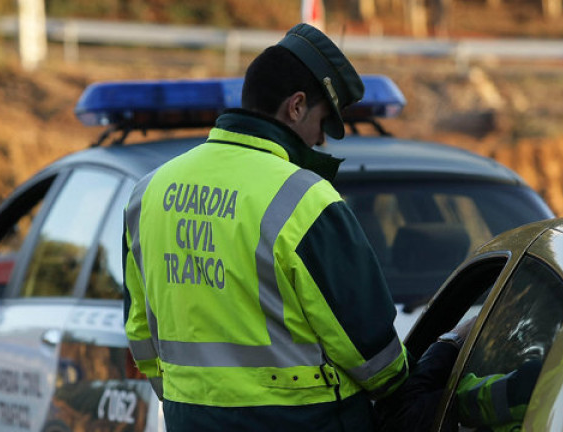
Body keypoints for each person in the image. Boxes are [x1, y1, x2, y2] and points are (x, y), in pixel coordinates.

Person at [122, 23, 412, 431]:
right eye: (323, 122)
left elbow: (139, 330)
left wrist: (189, 399)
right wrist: (410, 391)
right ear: (295, 106)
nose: (319, 142)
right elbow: (374, 357)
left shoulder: (147, 192)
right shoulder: (305, 199)